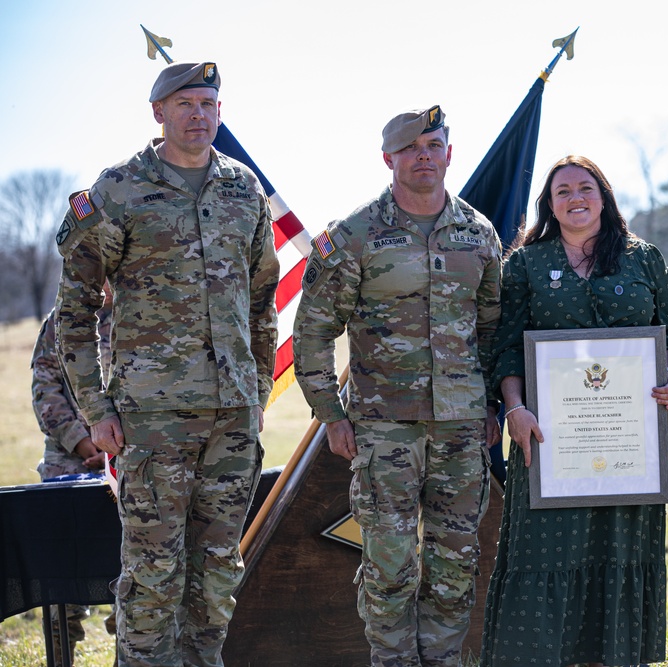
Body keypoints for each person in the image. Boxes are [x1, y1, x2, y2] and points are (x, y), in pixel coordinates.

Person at [54, 61, 279, 667]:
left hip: (232, 416)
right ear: (159, 113)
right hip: (151, 417)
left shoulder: (243, 191)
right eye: (185, 104)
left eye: (208, 103)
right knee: (153, 578)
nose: (199, 115)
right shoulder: (118, 191)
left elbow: (262, 302)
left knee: (217, 574)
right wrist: (96, 412)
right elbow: (73, 313)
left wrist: (257, 390)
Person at [292, 105, 502, 666]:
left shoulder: (479, 235)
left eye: (433, 145)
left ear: (449, 154)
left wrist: (493, 409)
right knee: (389, 566)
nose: (424, 156)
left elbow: (492, 329)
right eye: (411, 148)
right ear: (389, 159)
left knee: (455, 563)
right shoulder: (353, 236)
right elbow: (311, 333)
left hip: (461, 429)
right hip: (384, 431)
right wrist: (331, 415)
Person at [479, 155, 668, 667]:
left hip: (629, 443)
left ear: (604, 195)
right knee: (544, 553)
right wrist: (515, 408)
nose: (576, 198)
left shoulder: (643, 258)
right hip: (548, 439)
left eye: (585, 187)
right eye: (563, 192)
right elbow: (506, 347)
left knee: (618, 550)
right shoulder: (526, 264)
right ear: (550, 205)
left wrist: (667, 375)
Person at [30, 295, 111, 665]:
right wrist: (84, 443)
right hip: (68, 466)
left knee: (139, 570)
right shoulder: (60, 321)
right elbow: (45, 389)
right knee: (62, 582)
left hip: (132, 466)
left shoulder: (143, 314)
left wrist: (115, 452)